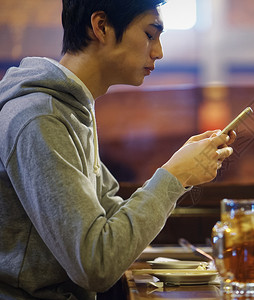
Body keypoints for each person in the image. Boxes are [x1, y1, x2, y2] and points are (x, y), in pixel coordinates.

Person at [0, 1, 234, 299]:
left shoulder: (72, 110)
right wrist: (174, 176)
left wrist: (181, 172)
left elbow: (109, 220)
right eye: (150, 34)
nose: (159, 51)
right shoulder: (40, 117)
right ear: (101, 27)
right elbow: (96, 264)